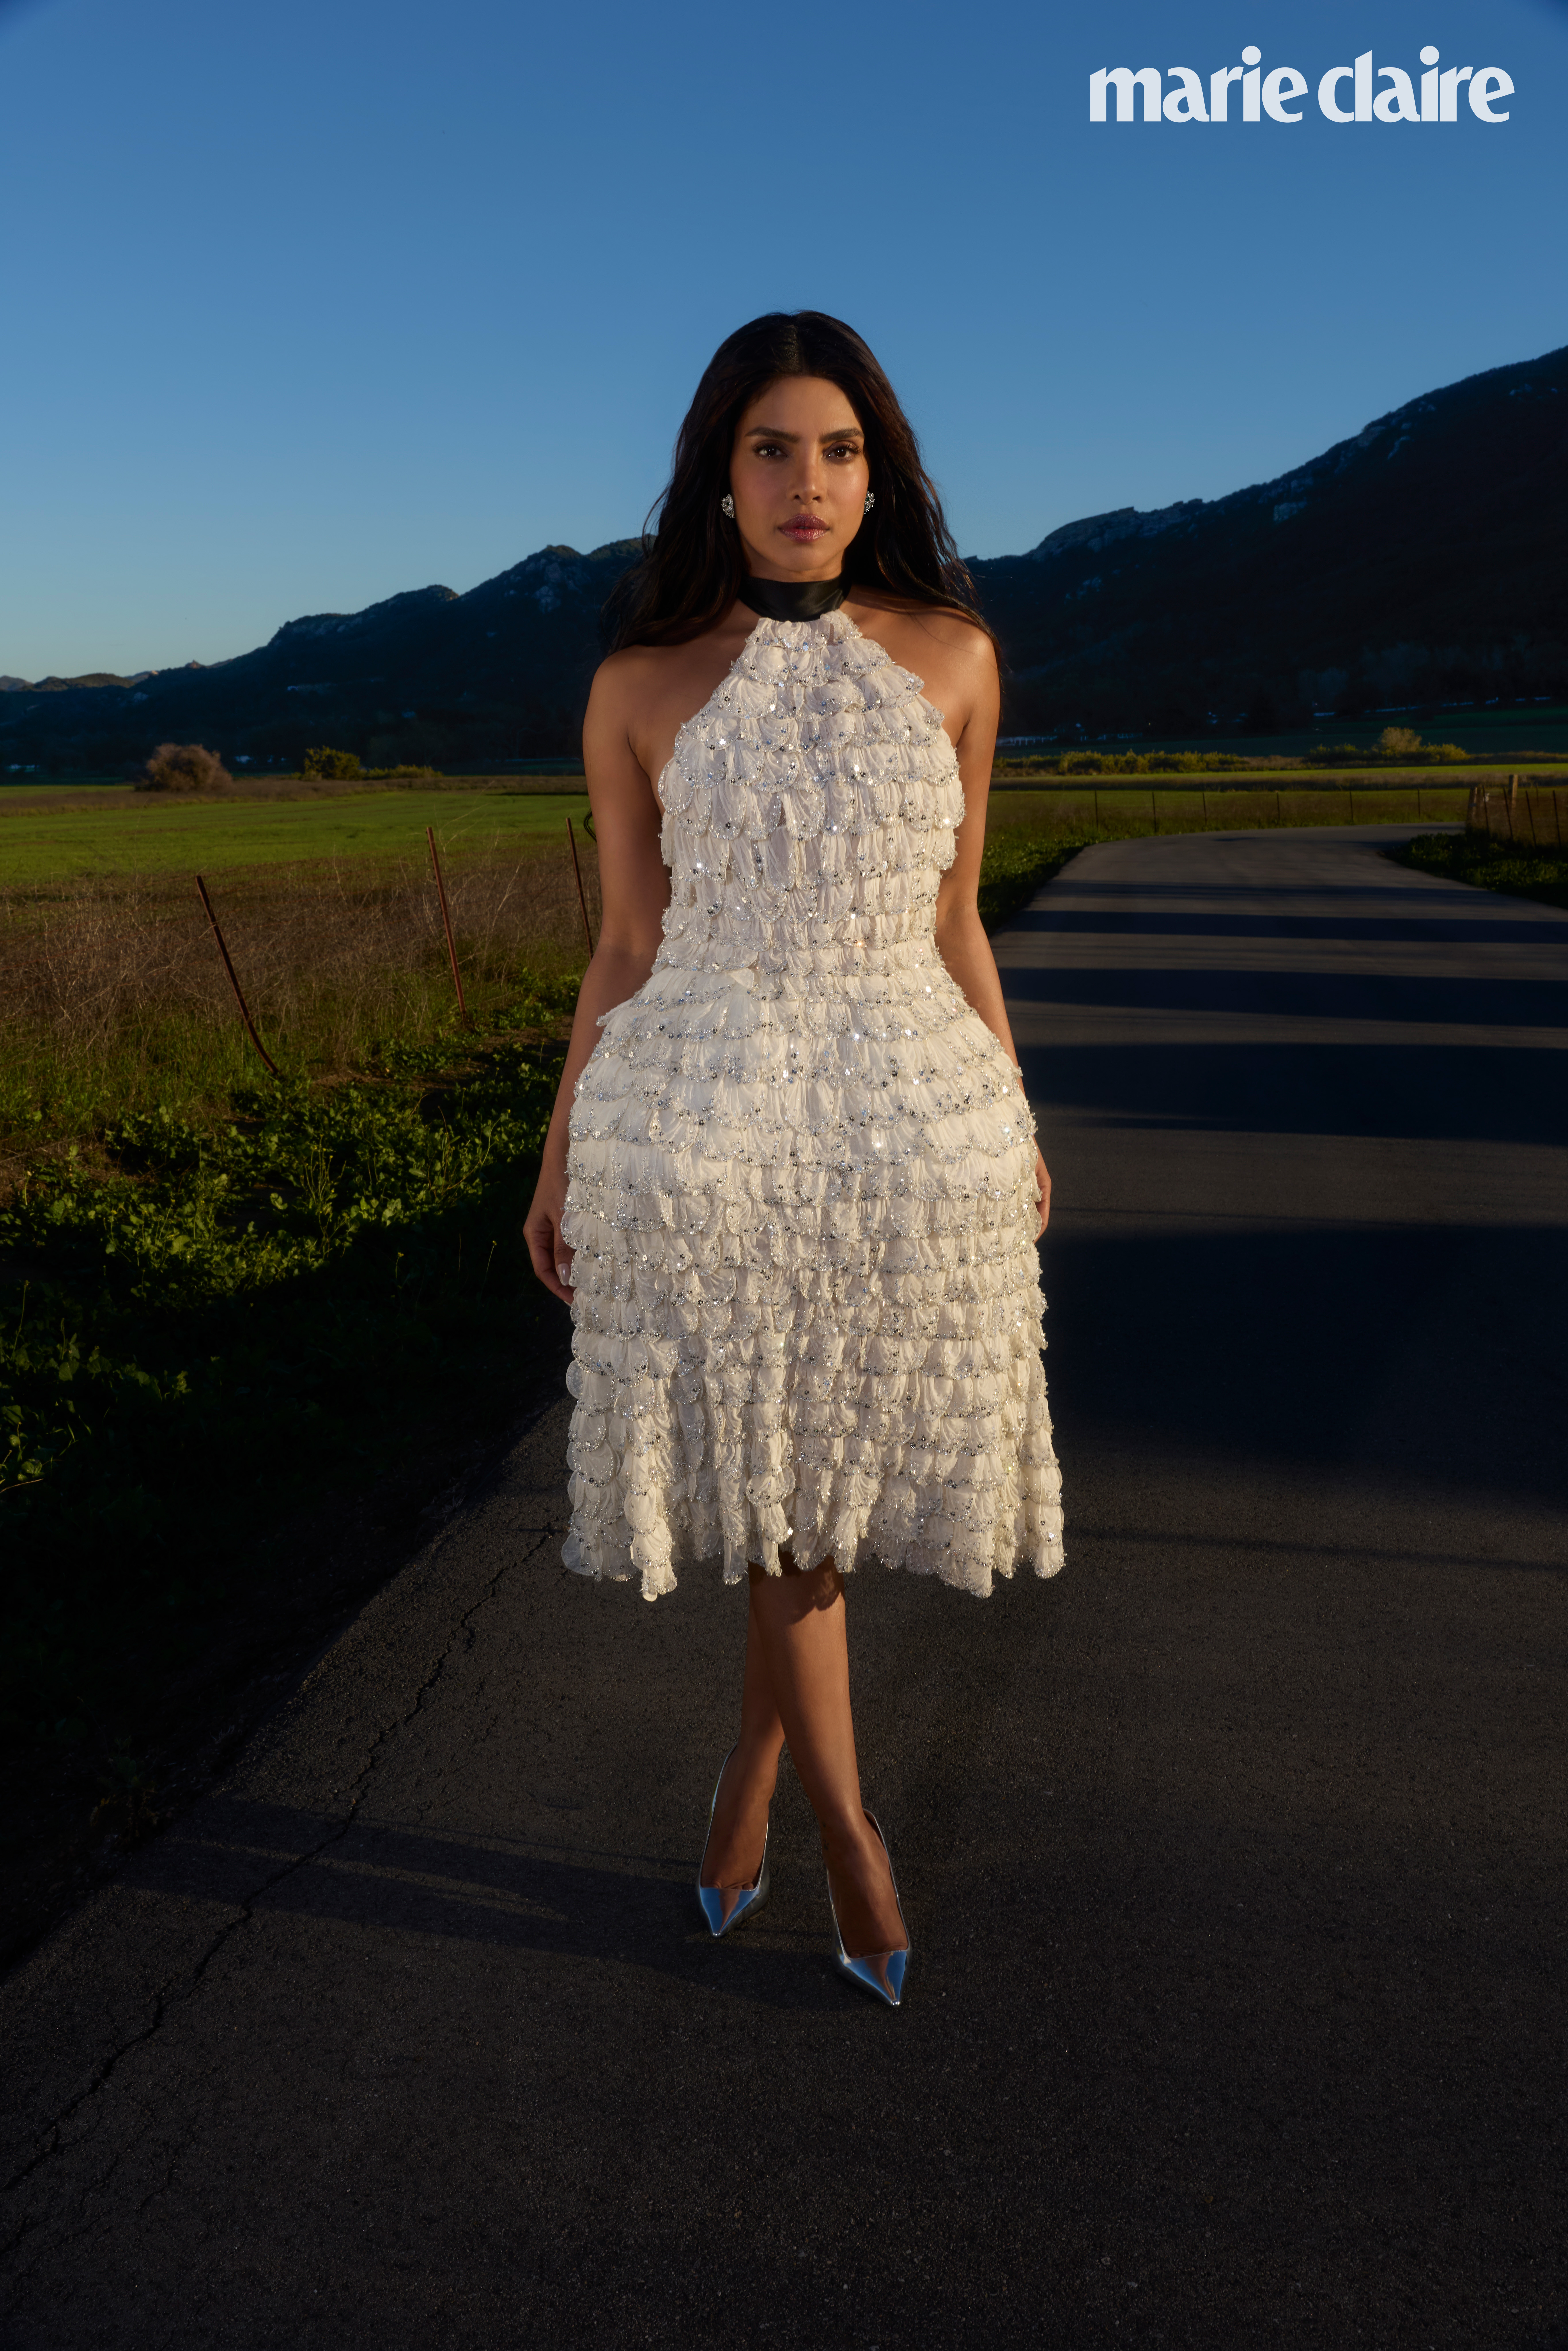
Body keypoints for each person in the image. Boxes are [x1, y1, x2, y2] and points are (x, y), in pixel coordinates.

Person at [524, 311, 1063, 2007]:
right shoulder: (637, 685)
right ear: (720, 473)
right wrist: (554, 1157)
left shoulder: (956, 657)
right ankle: (852, 1840)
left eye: (838, 451)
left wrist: (1017, 1106)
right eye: (772, 448)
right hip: (698, 1130)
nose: (807, 482)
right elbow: (624, 944)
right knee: (785, 1516)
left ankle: (744, 1793)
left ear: (876, 472)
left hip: (910, 1123)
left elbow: (957, 914)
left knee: (801, 1501)